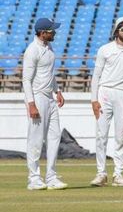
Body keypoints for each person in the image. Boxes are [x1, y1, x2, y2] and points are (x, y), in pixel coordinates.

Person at [90, 17, 123, 187]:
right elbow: (96, 76)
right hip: (104, 93)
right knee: (101, 136)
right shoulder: (104, 50)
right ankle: (101, 174)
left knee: (121, 137)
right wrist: (94, 100)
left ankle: (118, 174)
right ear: (116, 31)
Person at [22, 18, 67, 190]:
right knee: (35, 139)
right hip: (37, 97)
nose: (54, 33)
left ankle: (51, 177)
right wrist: (31, 104)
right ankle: (33, 179)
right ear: (42, 33)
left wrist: (58, 90)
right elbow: (26, 80)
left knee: (54, 137)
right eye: (51, 31)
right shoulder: (32, 51)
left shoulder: (49, 48)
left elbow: (50, 73)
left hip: (49, 97)